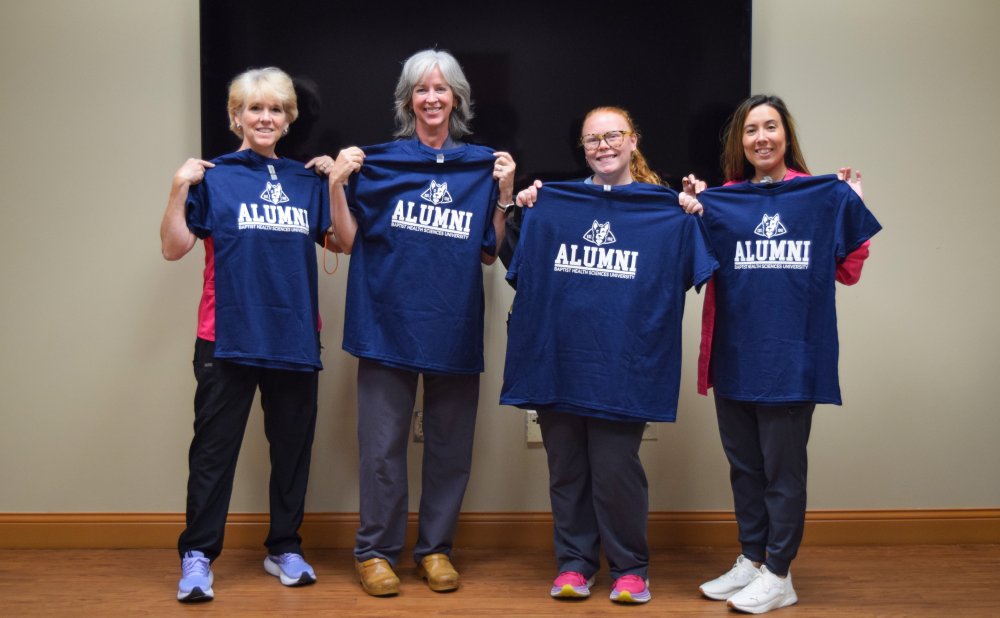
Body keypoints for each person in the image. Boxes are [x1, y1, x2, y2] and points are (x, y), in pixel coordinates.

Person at [505, 107, 717, 605]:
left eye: (613, 135)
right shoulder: (550, 203)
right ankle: (575, 564)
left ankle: (630, 568)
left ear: (633, 140)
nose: (603, 146)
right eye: (592, 139)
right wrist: (525, 207)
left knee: (616, 469)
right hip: (557, 359)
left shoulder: (667, 211)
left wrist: (694, 214)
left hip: (626, 364)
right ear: (582, 148)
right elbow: (516, 265)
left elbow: (702, 269)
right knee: (566, 469)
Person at [326, 49, 516, 597]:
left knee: (451, 449)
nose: (431, 98)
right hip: (385, 325)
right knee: (381, 447)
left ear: (456, 98)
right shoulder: (379, 162)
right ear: (408, 100)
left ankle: (435, 549)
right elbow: (346, 240)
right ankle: (375, 552)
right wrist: (338, 185)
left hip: (453, 326)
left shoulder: (480, 165)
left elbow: (488, 253)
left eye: (441, 89)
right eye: (421, 89)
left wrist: (503, 198)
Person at [684, 94, 881, 614]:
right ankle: (751, 559)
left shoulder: (818, 197)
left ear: (786, 136)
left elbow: (848, 269)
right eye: (751, 130)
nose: (762, 137)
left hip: (792, 359)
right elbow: (692, 266)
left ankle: (779, 572)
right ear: (740, 143)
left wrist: (851, 204)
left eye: (771, 127)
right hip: (733, 357)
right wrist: (693, 213)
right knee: (744, 469)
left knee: (782, 474)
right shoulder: (725, 199)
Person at [160, 67, 340, 603]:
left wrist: (333, 183)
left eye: (276, 109)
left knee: (291, 452)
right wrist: (177, 187)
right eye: (254, 108)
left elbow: (343, 243)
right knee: (213, 453)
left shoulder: (307, 180)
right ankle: (197, 557)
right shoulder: (213, 177)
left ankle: (284, 548)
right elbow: (173, 248)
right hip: (225, 336)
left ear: (289, 119)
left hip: (293, 337)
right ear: (236, 116)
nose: (265, 117)